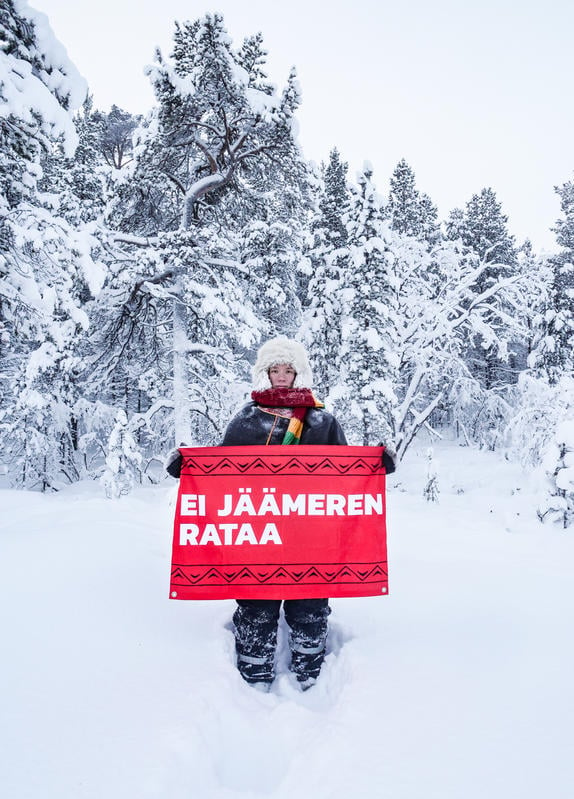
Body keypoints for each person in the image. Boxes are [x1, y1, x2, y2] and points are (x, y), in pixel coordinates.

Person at [166, 336, 396, 690]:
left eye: (289, 369)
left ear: (299, 372)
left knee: (310, 601)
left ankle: (310, 672)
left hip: (312, 534)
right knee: (257, 603)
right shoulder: (246, 419)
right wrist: (190, 466)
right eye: (276, 369)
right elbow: (222, 472)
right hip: (260, 533)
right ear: (265, 373)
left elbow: (346, 471)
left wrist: (376, 465)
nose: (283, 376)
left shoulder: (322, 421)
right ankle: (254, 676)